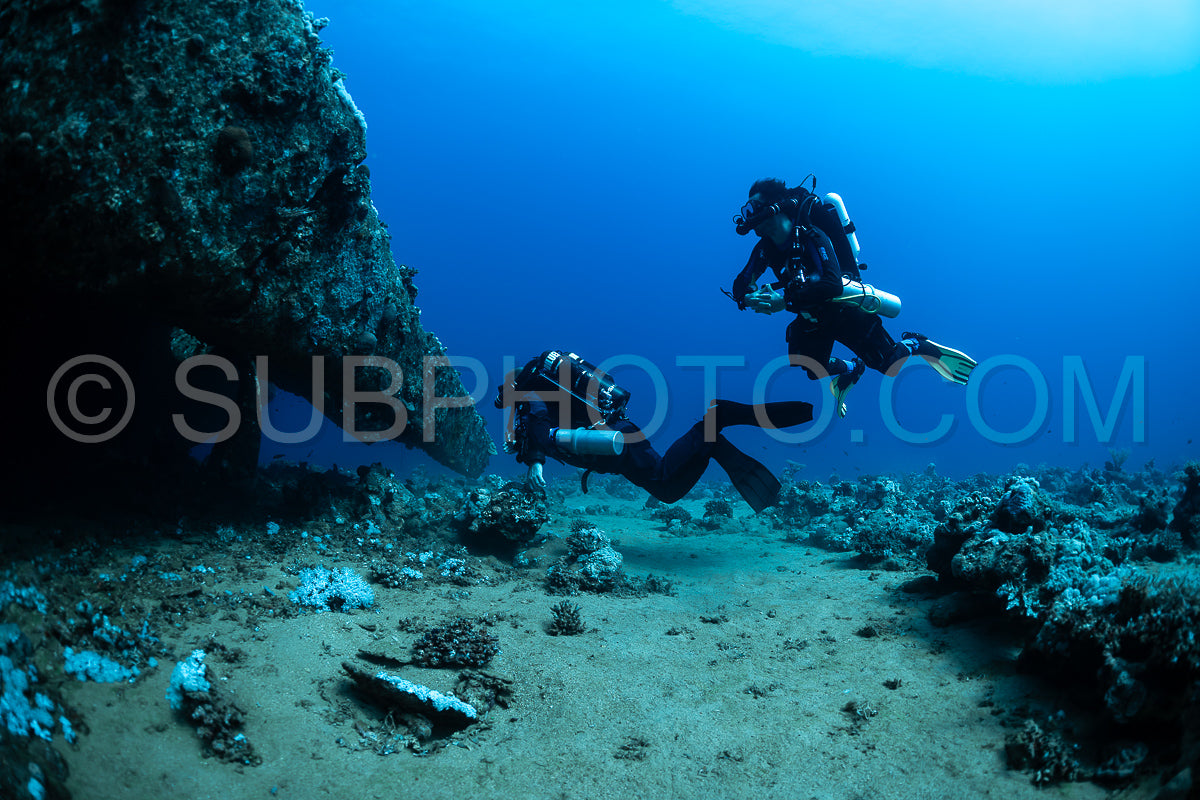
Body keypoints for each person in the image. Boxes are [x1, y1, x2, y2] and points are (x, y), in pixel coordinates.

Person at [728, 176, 978, 417]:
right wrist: (747, 296)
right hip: (811, 316)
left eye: (753, 207)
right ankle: (851, 369)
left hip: (845, 309)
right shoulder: (765, 249)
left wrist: (783, 301)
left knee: (890, 365)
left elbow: (832, 284)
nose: (748, 216)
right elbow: (742, 280)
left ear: (774, 205)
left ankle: (919, 345)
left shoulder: (810, 235)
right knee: (812, 368)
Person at [494, 350, 814, 511]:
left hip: (615, 441)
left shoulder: (531, 395)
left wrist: (536, 459)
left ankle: (716, 422)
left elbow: (537, 419)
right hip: (614, 436)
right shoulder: (543, 392)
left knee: (665, 485)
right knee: (666, 486)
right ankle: (712, 436)